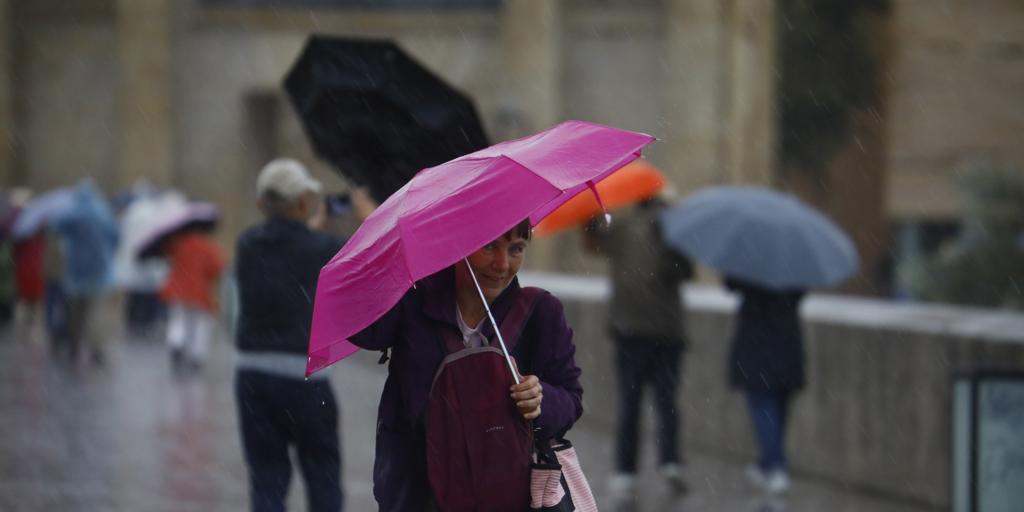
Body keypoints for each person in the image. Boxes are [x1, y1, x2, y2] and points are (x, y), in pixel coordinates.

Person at [349, 219, 584, 511]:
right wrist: (390, 260)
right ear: (458, 244)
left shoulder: (541, 312)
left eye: (516, 249)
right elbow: (362, 330)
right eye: (489, 247)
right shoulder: (413, 302)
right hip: (418, 492)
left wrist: (541, 400)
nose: (502, 264)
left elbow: (571, 399)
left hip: (508, 493)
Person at [234, 158, 346, 512]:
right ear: (302, 202)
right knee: (322, 473)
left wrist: (308, 229)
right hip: (306, 380)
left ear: (260, 204)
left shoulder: (247, 243)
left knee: (267, 477)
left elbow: (284, 246)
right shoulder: (323, 247)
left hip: (253, 375)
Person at [582, 197, 693, 497]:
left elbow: (593, 246)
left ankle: (625, 471)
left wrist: (588, 219)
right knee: (667, 399)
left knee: (630, 402)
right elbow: (685, 272)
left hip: (630, 329)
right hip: (668, 330)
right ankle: (670, 461)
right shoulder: (675, 229)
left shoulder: (623, 227)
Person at [725, 276, 806, 495]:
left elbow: (731, 284)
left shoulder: (750, 261)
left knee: (762, 404)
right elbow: (801, 291)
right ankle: (766, 463)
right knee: (779, 405)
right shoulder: (794, 261)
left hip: (757, 342)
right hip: (787, 340)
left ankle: (775, 465)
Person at [49, 180, 119, 366]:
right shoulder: (103, 212)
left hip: (76, 270)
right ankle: (97, 350)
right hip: (99, 271)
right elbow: (115, 236)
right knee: (95, 313)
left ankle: (74, 346)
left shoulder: (73, 212)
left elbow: (56, 226)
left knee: (75, 313)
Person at [160, 217, 225, 373]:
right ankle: (197, 355)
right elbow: (217, 268)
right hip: (199, 291)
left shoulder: (178, 243)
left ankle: (176, 342)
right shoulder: (208, 247)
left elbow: (169, 259)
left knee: (178, 319)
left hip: (178, 289)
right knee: (200, 324)